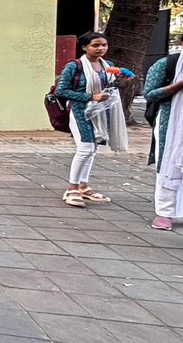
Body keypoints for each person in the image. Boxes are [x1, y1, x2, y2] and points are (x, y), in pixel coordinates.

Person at [54, 31, 130, 209]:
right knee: (85, 148)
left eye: (103, 45)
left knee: (93, 149)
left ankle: (83, 185)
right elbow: (61, 91)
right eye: (95, 45)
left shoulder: (108, 66)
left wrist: (121, 82)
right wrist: (91, 97)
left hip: (100, 113)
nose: (100, 48)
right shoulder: (75, 66)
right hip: (80, 111)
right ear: (84, 47)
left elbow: (110, 87)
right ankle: (72, 187)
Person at [144, 23, 183, 231]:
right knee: (169, 164)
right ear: (182, 42)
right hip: (171, 122)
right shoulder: (168, 64)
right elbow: (149, 93)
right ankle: (165, 212)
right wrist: (181, 84)